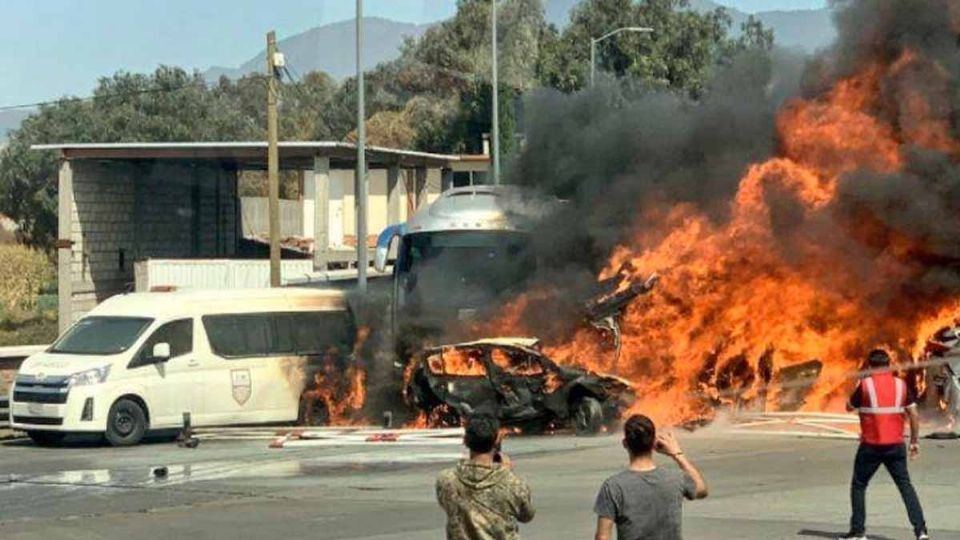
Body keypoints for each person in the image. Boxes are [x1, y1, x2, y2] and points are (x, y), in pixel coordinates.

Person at [841, 349, 929, 540]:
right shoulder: (901, 385)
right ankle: (921, 531)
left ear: (869, 366)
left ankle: (858, 532)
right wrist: (914, 441)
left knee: (859, 485)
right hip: (896, 445)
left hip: (871, 446)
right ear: (889, 365)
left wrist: (856, 386)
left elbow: (848, 407)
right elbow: (913, 415)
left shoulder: (865, 385)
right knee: (905, 486)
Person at [594, 414, 708, 540]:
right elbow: (701, 490)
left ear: (625, 443)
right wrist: (677, 454)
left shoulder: (613, 486)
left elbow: (602, 536)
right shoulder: (674, 479)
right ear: (654, 443)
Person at [436, 414, 535, 540]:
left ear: (466, 441)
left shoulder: (446, 480)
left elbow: (447, 505)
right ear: (495, 441)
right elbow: (526, 515)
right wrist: (505, 473)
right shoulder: (513, 483)